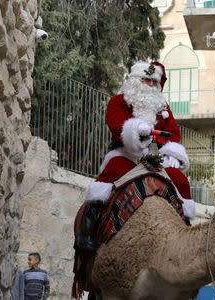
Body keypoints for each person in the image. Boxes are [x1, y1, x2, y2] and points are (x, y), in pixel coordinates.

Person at [79, 61, 196, 250]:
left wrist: (171, 152)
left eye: (153, 81)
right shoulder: (117, 102)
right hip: (126, 153)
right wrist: (135, 130)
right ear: (135, 80)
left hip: (155, 157)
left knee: (180, 180)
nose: (150, 84)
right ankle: (89, 228)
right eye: (146, 79)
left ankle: (185, 225)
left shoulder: (163, 108)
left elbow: (173, 132)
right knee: (110, 174)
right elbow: (116, 125)